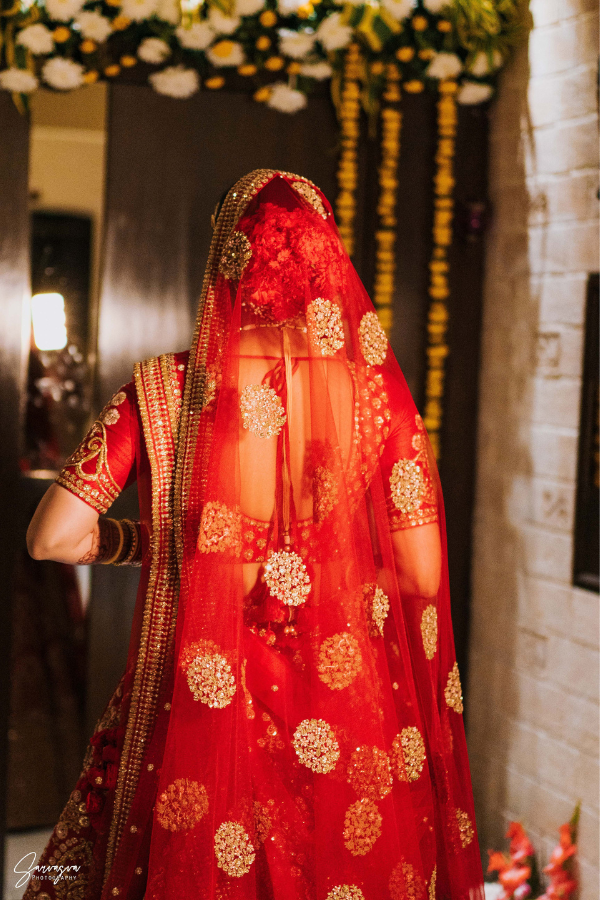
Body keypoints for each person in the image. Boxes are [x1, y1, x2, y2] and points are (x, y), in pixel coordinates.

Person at [26, 170, 484, 900]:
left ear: (226, 259)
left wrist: (152, 543)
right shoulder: (373, 396)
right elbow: (424, 576)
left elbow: (53, 537)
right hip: (346, 714)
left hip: (200, 715)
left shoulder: (165, 385)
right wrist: (324, 566)